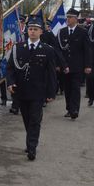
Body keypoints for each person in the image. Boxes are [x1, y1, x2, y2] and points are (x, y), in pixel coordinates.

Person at [7, 16, 58, 161]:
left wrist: (51, 92)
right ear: (27, 31)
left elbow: (51, 73)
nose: (32, 32)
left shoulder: (47, 50)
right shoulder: (18, 48)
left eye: (35, 29)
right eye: (30, 29)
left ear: (41, 31)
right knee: (27, 119)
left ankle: (32, 147)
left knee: (35, 119)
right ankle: (30, 140)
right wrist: (10, 83)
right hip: (21, 90)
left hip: (38, 91)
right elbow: (10, 68)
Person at [57, 8, 91, 119]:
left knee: (75, 88)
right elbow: (59, 50)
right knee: (67, 88)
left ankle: (75, 109)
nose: (68, 19)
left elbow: (87, 50)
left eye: (70, 17)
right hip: (65, 66)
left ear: (76, 19)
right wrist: (61, 65)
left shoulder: (82, 32)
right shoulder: (62, 32)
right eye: (67, 17)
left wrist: (87, 65)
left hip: (77, 66)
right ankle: (69, 108)